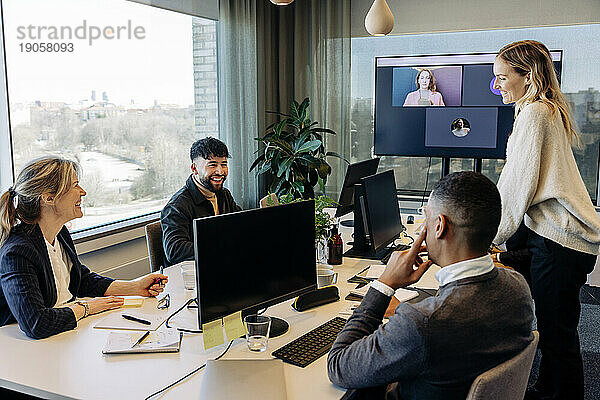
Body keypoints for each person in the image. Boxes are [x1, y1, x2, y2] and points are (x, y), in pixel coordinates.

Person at [328, 172, 534, 400]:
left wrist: (384, 284)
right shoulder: (518, 287)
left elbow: (339, 365)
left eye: (427, 219)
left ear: (439, 226)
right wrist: (404, 314)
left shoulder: (423, 323)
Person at [492, 40, 600, 400]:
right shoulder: (541, 109)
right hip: (557, 236)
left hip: (560, 240)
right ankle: (545, 390)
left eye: (503, 77)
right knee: (557, 332)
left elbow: (516, 185)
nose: (498, 85)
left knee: (558, 338)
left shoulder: (536, 113)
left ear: (529, 76)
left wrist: (487, 237)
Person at [0, 157, 167, 339]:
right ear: (49, 198)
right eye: (75, 185)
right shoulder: (17, 252)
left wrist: (134, 287)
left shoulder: (60, 232)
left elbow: (82, 279)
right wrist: (87, 308)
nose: (83, 192)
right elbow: (37, 323)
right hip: (27, 349)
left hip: (63, 336)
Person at [161, 137, 241, 265]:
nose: (220, 171)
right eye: (212, 165)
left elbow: (240, 225)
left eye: (224, 164)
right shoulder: (176, 206)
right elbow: (175, 250)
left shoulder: (224, 194)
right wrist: (221, 247)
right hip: (192, 275)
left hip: (221, 265)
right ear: (194, 168)